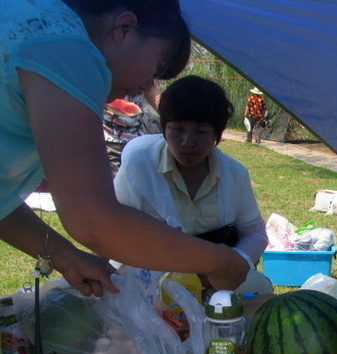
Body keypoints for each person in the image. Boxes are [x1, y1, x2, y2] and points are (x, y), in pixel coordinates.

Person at [1, 0, 249, 297]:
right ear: (125, 29)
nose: (148, 84)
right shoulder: (65, 46)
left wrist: (65, 255)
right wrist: (219, 260)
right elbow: (95, 221)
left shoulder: (34, 21)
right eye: (157, 66)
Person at [114, 75, 270, 291]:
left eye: (201, 132)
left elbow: (255, 234)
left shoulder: (234, 174)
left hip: (213, 286)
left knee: (261, 288)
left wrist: (233, 263)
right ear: (164, 127)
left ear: (217, 134)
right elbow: (115, 231)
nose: (187, 143)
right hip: (148, 281)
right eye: (177, 129)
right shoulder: (139, 165)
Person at [104, 82, 163, 175]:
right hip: (107, 140)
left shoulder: (142, 69)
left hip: (138, 138)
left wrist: (173, 116)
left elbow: (150, 88)